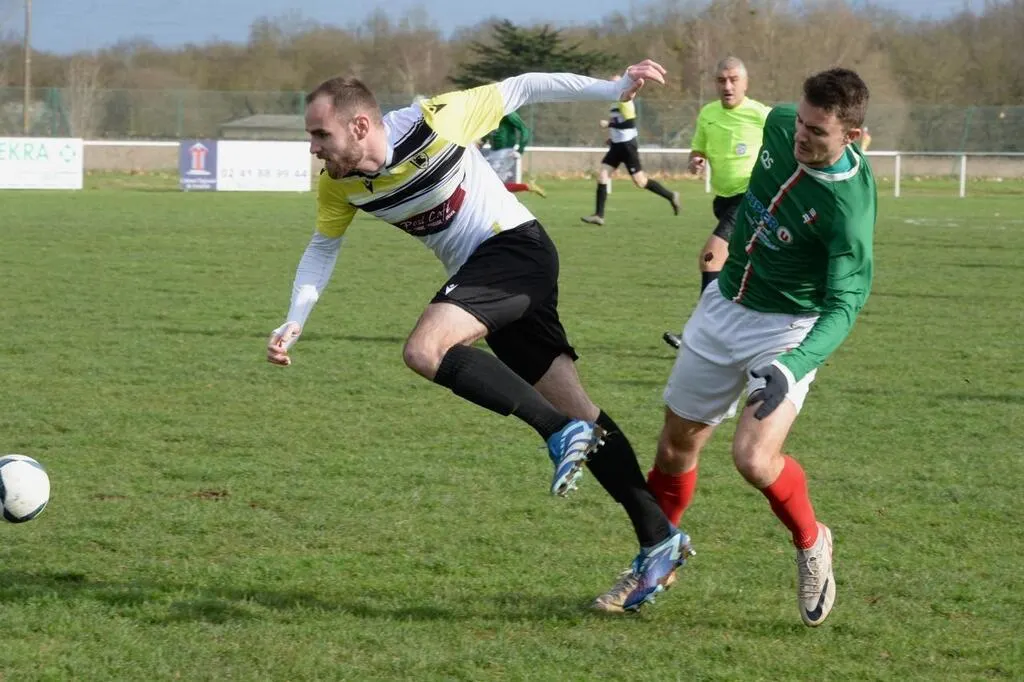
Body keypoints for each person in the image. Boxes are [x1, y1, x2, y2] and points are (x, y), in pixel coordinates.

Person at [268, 59, 693, 612]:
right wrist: (296, 317)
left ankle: (557, 432)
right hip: (488, 277)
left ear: (360, 126)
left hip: (516, 250)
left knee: (426, 349)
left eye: (320, 134)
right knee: (583, 412)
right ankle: (659, 539)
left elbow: (524, 87)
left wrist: (614, 88)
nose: (313, 148)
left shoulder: (436, 121)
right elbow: (323, 247)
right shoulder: (339, 185)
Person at [594, 68, 875, 626]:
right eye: (802, 122)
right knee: (675, 447)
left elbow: (845, 304)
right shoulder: (779, 122)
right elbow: (756, 194)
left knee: (753, 458)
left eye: (818, 132)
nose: (801, 136)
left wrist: (793, 365)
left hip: (787, 329)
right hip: (724, 305)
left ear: (851, 136)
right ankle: (657, 559)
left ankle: (812, 541)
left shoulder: (848, 209)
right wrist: (726, 233)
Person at [663, 57, 770, 350]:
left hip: (750, 197)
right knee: (736, 271)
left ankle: (700, 336)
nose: (728, 86)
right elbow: (698, 149)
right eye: (722, 80)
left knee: (710, 258)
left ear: (745, 83)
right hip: (723, 200)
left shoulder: (762, 114)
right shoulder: (708, 113)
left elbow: (792, 141)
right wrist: (696, 160)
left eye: (734, 80)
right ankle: (742, 335)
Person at [580, 76, 680, 225]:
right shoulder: (615, 102)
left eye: (615, 83)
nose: (612, 85)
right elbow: (619, 122)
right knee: (602, 176)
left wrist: (608, 124)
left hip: (627, 146)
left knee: (640, 182)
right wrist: (612, 138)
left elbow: (629, 124)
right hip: (617, 146)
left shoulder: (625, 101)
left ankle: (671, 195)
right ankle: (599, 215)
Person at [481, 111, 547, 197]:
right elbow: (489, 131)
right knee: (494, 184)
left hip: (505, 152)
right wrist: (481, 142)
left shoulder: (507, 112)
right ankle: (527, 187)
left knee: (493, 184)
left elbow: (524, 130)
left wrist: (520, 150)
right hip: (493, 152)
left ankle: (525, 188)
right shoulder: (489, 113)